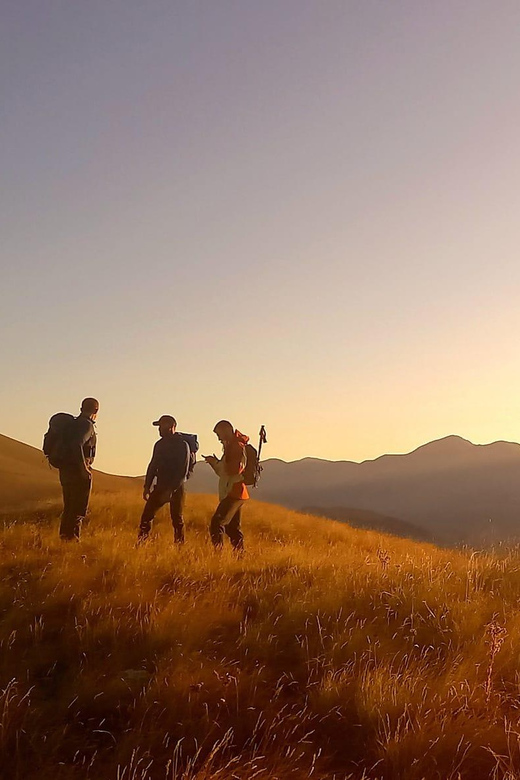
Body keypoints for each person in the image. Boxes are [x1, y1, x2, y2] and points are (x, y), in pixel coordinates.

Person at [138, 415, 190, 544]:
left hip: (176, 489)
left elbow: (182, 472)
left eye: (162, 426)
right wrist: (147, 486)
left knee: (177, 520)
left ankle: (180, 548)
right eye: (159, 426)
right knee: (146, 516)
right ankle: (142, 544)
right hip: (160, 486)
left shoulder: (182, 445)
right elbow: (153, 465)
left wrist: (171, 490)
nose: (159, 429)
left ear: (172, 427)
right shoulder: (159, 444)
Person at [204, 420, 250, 551]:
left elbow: (231, 471)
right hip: (237, 492)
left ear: (226, 431)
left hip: (233, 492)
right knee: (232, 528)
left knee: (216, 523)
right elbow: (228, 471)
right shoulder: (234, 446)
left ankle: (218, 556)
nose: (218, 438)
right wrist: (216, 463)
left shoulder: (235, 447)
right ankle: (240, 557)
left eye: (219, 434)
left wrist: (216, 463)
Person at [59, 397, 99, 541]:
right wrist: (84, 468)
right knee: (78, 509)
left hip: (66, 472)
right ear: (95, 410)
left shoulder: (73, 425)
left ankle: (64, 538)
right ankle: (72, 540)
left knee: (69, 507)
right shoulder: (86, 425)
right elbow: (77, 444)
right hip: (78, 473)